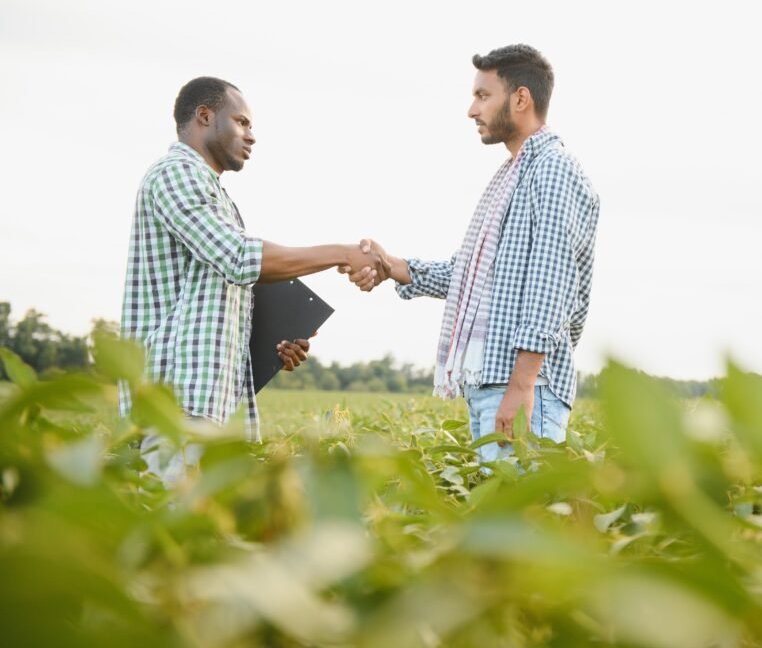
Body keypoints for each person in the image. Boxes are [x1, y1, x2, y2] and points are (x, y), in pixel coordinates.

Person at [120, 76, 384, 484]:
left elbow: (216, 291)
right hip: (178, 404)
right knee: (174, 518)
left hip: (210, 404)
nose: (251, 135)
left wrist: (272, 345)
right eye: (241, 122)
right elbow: (240, 257)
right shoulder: (176, 175)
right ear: (205, 116)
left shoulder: (213, 192)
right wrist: (342, 253)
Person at [351, 45, 600, 463]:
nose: (472, 110)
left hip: (525, 388)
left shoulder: (552, 169)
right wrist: (391, 266)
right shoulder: (513, 175)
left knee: (519, 503)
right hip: (495, 384)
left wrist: (521, 386)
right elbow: (467, 275)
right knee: (499, 500)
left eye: (483, 96)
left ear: (521, 99)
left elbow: (551, 284)